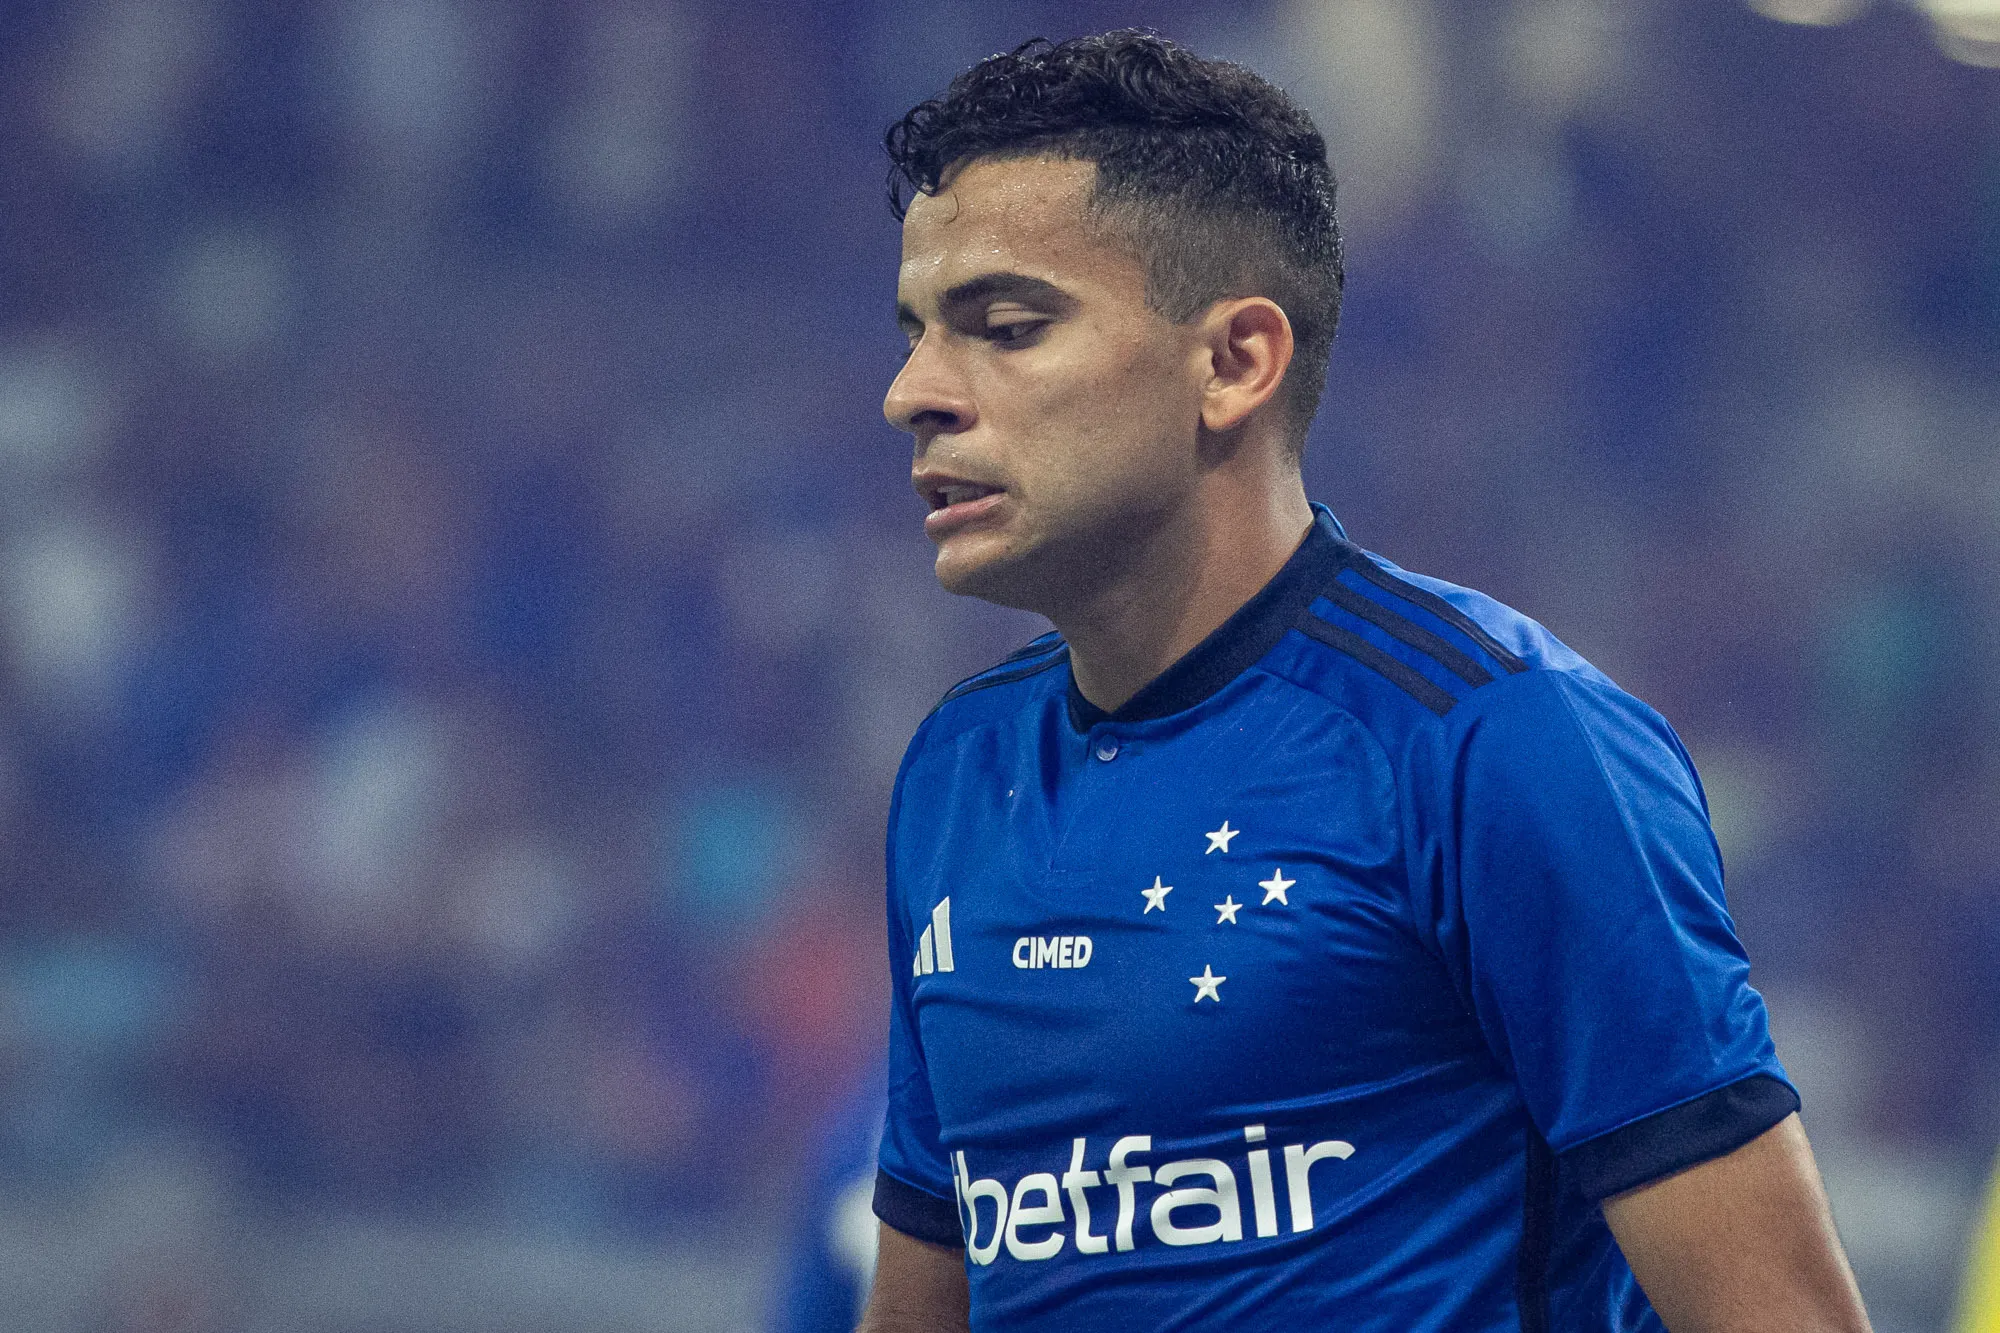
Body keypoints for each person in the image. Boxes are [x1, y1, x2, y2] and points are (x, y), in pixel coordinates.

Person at [861, 30, 1872, 1333]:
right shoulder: (959, 771)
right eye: (918, 335)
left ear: (1235, 362)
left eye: (1006, 328)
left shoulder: (1493, 741)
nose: (914, 394)